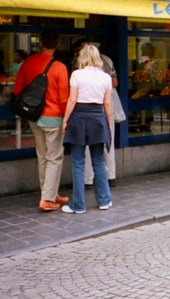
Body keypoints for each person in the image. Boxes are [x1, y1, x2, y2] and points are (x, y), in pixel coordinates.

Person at [13, 29, 70, 211]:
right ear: (58, 44)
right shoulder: (60, 67)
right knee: (54, 157)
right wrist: (67, 120)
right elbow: (63, 100)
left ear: (41, 43)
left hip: (34, 117)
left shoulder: (27, 63)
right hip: (54, 117)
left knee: (43, 156)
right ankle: (47, 199)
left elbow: (17, 91)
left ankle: (50, 193)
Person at [60, 44, 113, 214]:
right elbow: (107, 103)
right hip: (98, 118)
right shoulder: (106, 77)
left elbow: (72, 100)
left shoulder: (76, 74)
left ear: (82, 57)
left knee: (78, 163)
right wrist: (109, 123)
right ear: (97, 58)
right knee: (98, 161)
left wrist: (65, 121)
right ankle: (104, 201)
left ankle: (79, 205)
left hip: (79, 118)